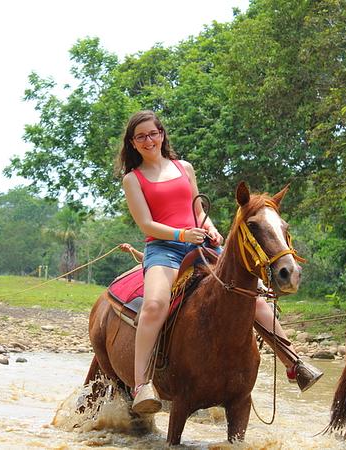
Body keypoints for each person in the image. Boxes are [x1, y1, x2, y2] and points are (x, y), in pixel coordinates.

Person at [118, 111, 319, 414]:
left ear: (162, 134)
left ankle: (294, 362)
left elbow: (196, 207)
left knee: (254, 296)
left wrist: (208, 224)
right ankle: (141, 384)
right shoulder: (132, 179)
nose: (149, 140)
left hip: (203, 241)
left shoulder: (183, 167)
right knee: (155, 305)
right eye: (141, 136)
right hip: (164, 249)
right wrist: (182, 234)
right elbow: (146, 224)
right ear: (132, 143)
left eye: (153, 133)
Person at [118, 243, 323, 391]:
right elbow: (150, 248)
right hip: (169, 253)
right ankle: (148, 375)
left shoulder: (208, 223)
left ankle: (294, 363)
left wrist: (210, 231)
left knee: (257, 301)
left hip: (206, 250)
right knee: (159, 305)